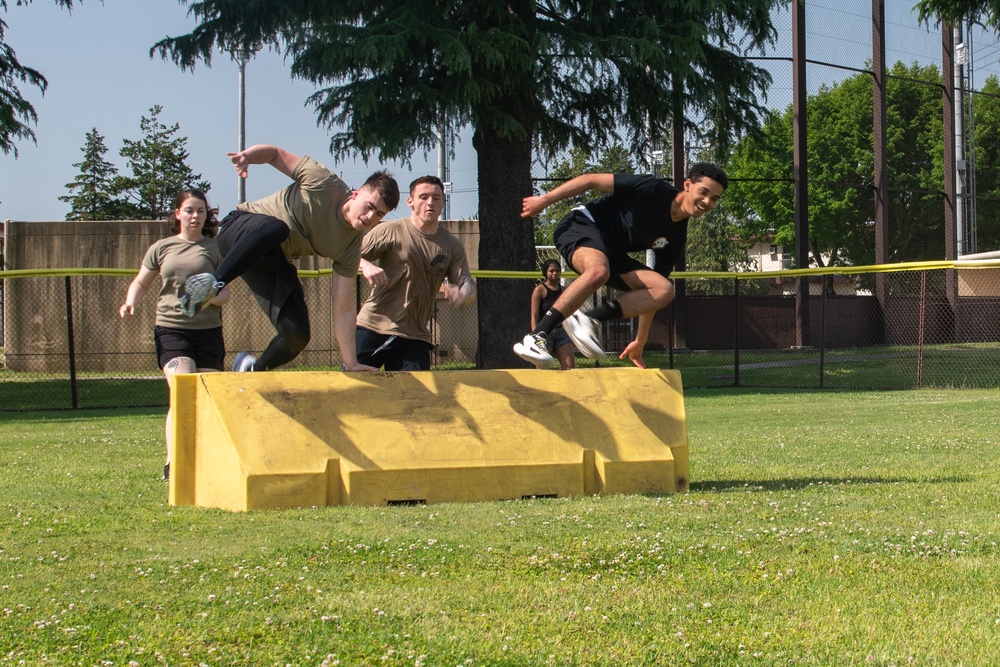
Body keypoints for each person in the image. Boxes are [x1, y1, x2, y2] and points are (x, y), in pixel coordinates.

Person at [177, 144, 400, 372]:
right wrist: (247, 157)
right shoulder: (323, 181)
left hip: (269, 258)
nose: (370, 216)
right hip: (239, 231)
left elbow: (343, 307)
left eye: (379, 214)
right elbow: (275, 154)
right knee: (277, 228)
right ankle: (214, 282)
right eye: (369, 206)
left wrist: (351, 363)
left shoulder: (351, 248)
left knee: (297, 334)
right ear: (355, 194)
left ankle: (252, 370)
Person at [514, 162, 728, 369]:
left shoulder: (676, 238)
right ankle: (536, 337)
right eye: (704, 192)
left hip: (611, 251)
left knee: (663, 289)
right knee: (599, 271)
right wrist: (545, 200)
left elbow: (651, 298)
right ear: (688, 185)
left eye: (714, 199)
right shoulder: (652, 189)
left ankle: (587, 319)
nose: (707, 201)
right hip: (581, 224)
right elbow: (591, 180)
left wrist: (640, 341)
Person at [119, 189, 232, 480]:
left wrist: (209, 295)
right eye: (190, 210)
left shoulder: (216, 248)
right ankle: (173, 462)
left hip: (208, 332)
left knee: (205, 399)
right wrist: (130, 301)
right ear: (177, 214)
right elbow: (141, 283)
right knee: (183, 390)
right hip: (171, 329)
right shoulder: (161, 247)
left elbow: (225, 294)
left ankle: (204, 458)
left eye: (201, 211)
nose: (195, 216)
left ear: (207, 215)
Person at [355, 175, 475, 370]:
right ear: (410, 202)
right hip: (373, 326)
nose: (430, 203)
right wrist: (366, 265)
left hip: (414, 335)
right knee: (356, 393)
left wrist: (465, 293)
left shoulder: (452, 246)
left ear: (443, 203)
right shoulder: (389, 230)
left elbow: (466, 284)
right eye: (423, 197)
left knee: (415, 399)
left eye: (436, 198)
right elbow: (348, 257)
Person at [529, 259, 575, 370]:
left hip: (561, 332)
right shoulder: (539, 290)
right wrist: (536, 337)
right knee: (542, 369)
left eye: (557, 270)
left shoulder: (564, 290)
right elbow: (534, 316)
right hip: (544, 333)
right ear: (546, 272)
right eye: (551, 270)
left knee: (570, 367)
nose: (555, 273)